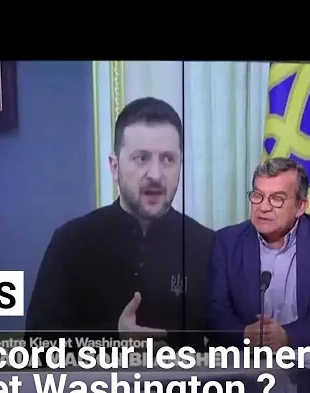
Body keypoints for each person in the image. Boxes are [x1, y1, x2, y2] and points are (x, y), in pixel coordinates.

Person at [26, 97, 214, 351]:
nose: (156, 174)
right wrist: (113, 340)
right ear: (115, 167)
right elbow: (36, 347)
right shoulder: (71, 243)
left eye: (168, 159)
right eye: (141, 158)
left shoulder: (208, 246)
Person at [208, 157, 310, 393]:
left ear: (301, 206)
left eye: (276, 199)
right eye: (257, 196)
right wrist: (244, 334)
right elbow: (215, 312)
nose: (263, 207)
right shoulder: (226, 242)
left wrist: (288, 336)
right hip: (251, 377)